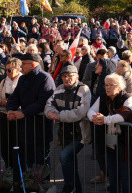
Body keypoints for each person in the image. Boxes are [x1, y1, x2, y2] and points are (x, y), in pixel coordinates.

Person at [45, 65, 92, 193]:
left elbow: (81, 112)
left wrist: (59, 116)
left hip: (80, 134)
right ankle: (77, 188)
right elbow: (49, 105)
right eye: (64, 76)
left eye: (70, 76)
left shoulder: (84, 89)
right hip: (64, 133)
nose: (67, 79)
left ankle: (69, 186)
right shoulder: (59, 89)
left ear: (76, 76)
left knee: (64, 156)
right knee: (71, 161)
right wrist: (51, 113)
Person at [88, 73, 132, 193]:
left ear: (119, 87)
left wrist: (105, 119)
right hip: (109, 144)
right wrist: (95, 118)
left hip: (125, 145)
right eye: (106, 85)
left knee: (126, 177)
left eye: (111, 85)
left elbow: (125, 115)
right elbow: (91, 110)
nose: (107, 88)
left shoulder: (128, 97)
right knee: (113, 176)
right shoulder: (103, 97)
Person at [6, 53, 55, 169]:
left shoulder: (45, 78)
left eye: (23, 64)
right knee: (27, 161)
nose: (21, 67)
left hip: (40, 128)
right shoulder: (23, 78)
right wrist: (10, 110)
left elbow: (43, 102)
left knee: (41, 163)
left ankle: (43, 185)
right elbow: (14, 97)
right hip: (25, 128)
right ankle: (29, 186)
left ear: (32, 64)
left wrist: (24, 112)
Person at [0, 57, 22, 168]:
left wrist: (13, 103)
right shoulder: (4, 81)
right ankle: (8, 166)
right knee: (5, 146)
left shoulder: (23, 80)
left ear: (18, 69)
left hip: (18, 117)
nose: (7, 72)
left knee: (18, 144)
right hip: (5, 117)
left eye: (10, 70)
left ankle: (18, 168)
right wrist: (1, 102)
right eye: (6, 70)